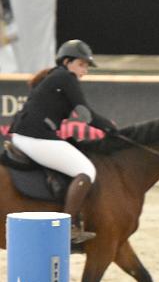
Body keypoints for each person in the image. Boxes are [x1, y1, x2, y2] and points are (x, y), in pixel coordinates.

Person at [9, 39, 118, 244]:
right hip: (34, 137)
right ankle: (70, 226)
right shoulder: (66, 77)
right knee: (86, 170)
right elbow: (85, 115)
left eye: (86, 66)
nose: (84, 71)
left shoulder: (55, 76)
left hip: (25, 135)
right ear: (67, 62)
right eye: (81, 64)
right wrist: (112, 129)